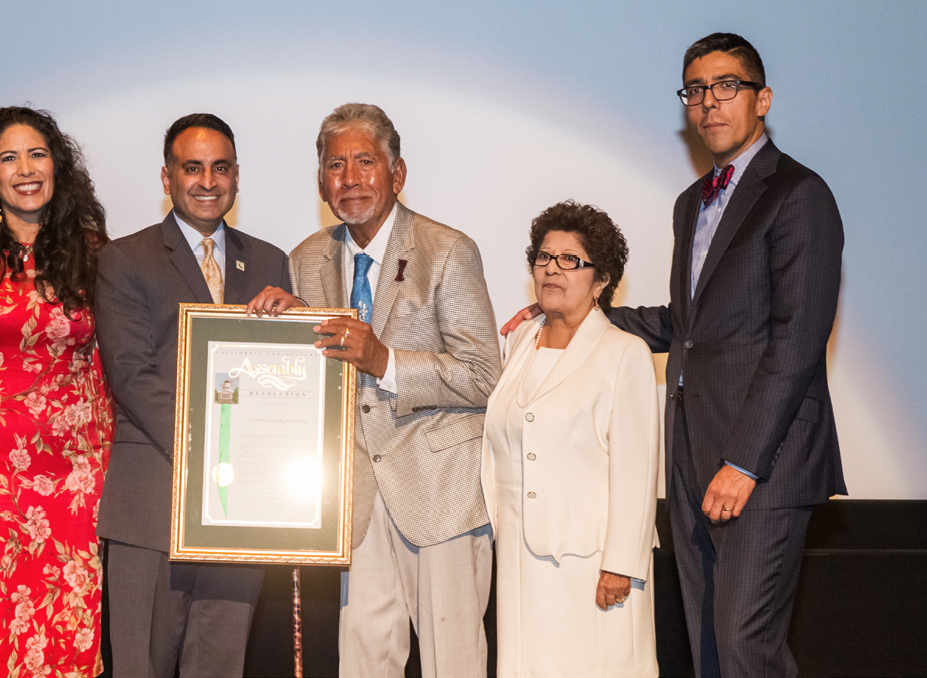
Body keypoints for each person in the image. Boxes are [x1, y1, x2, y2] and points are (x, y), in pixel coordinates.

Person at [503, 33, 845, 678]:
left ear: (761, 98)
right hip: (691, 459)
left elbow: (798, 338)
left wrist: (744, 461)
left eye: (726, 86)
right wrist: (577, 312)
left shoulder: (799, 194)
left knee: (746, 646)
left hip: (760, 466)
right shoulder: (693, 203)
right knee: (709, 648)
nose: (709, 103)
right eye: (695, 90)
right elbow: (687, 325)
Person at [248, 103, 500, 678]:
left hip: (440, 495)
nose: (351, 178)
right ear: (320, 181)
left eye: (366, 162)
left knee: (452, 662)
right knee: (363, 660)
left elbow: (485, 375)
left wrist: (384, 360)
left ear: (398, 173)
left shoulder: (446, 250)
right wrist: (284, 328)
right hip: (355, 499)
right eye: (336, 165)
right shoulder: (306, 258)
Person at [95, 113, 291, 678]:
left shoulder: (270, 261)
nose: (208, 181)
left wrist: (299, 325)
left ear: (236, 175)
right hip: (153, 502)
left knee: (221, 667)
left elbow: (281, 375)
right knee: (142, 668)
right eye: (192, 167)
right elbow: (132, 376)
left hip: (239, 512)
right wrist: (214, 445)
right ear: (166, 178)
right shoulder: (125, 259)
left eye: (220, 167)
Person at [0, 106, 115, 678]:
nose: (25, 169)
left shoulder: (96, 252)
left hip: (75, 471)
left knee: (69, 621)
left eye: (37, 154)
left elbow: (115, 356)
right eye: (8, 158)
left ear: (57, 167)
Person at [483, 201, 659, 677]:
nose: (552, 269)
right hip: (519, 560)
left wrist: (620, 563)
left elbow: (637, 471)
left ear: (601, 280)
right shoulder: (521, 341)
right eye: (543, 257)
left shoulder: (626, 353)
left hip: (590, 567)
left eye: (570, 260)